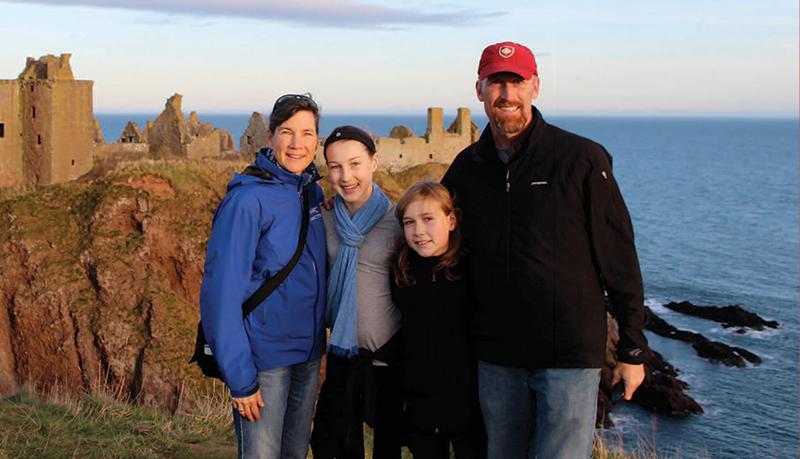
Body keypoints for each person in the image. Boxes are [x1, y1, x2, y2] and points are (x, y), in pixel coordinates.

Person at [440, 41, 649, 459]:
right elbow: (437, 241)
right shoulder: (466, 168)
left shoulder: (581, 159)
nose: (507, 95)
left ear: (535, 86)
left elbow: (618, 256)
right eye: (496, 83)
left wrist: (632, 348)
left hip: (567, 354)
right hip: (496, 355)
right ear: (479, 90)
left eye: (516, 82)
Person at [199, 94, 327, 459]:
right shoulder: (246, 201)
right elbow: (220, 295)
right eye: (287, 132)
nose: (297, 144)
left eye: (307, 133)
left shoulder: (311, 193)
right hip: (265, 360)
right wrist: (240, 380)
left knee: (295, 454)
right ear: (269, 137)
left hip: (307, 354)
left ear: (317, 139)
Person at [310, 125, 405, 459]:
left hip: (389, 354)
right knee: (332, 443)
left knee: (388, 446)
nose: (345, 176)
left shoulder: (399, 220)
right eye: (335, 167)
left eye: (355, 164)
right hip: (343, 352)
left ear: (374, 162)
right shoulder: (323, 218)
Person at [389, 181, 486, 459]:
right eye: (409, 222)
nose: (419, 231)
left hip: (469, 402)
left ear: (452, 220)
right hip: (420, 401)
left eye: (428, 219)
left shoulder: (470, 269)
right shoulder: (401, 272)